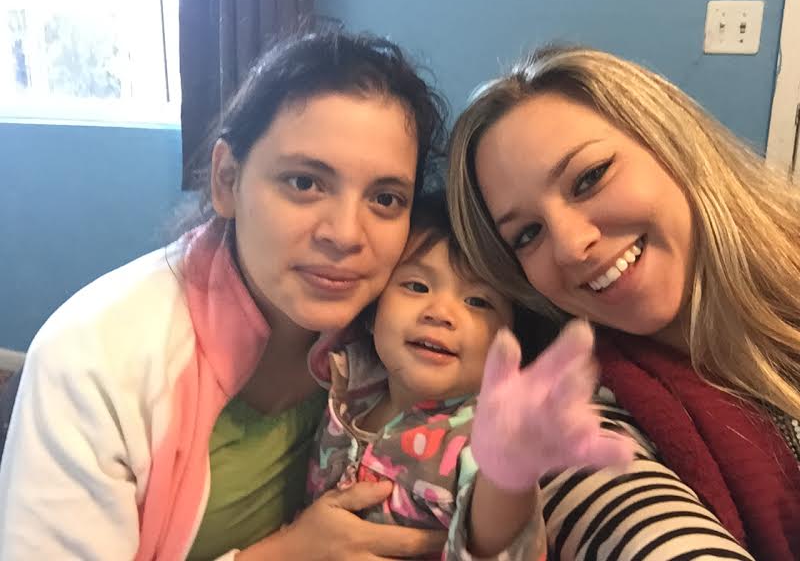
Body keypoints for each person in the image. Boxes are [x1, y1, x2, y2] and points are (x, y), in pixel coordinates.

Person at [0, 30, 453, 560]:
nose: (346, 234)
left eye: (385, 198)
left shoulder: (393, 335)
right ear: (226, 180)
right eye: (305, 183)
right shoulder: (92, 358)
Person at [447, 45, 800, 560]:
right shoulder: (593, 418)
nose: (571, 247)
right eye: (527, 234)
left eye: (589, 178)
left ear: (671, 142)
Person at [305, 196, 633, 560]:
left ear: (512, 339)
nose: (440, 313)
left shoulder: (486, 434)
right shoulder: (348, 383)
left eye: (478, 302)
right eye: (416, 286)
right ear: (372, 312)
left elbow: (497, 543)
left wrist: (507, 474)